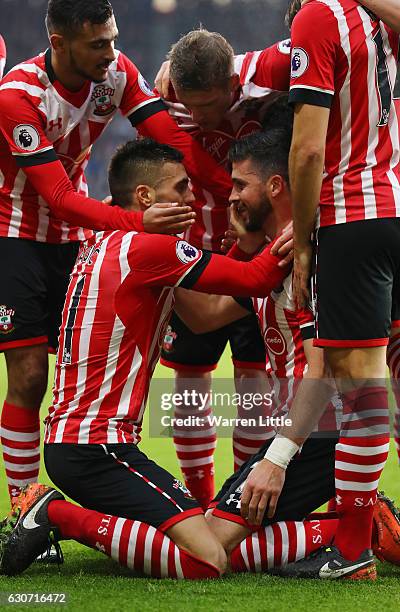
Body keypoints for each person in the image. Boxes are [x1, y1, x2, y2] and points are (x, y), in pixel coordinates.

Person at [1, 137, 399, 580]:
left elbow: (215, 314)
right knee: (207, 551)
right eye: (182, 188)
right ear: (146, 198)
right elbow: (239, 289)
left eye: (237, 186)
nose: (207, 198)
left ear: (273, 186)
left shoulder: (105, 242)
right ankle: (352, 532)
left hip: (311, 432)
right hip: (99, 444)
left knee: (210, 539)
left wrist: (281, 240)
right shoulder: (150, 248)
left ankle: (353, 533)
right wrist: (281, 239)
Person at [0, 0, 236, 504]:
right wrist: (136, 221)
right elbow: (59, 198)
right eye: (98, 43)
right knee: (28, 376)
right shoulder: (18, 96)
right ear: (60, 44)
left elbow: (173, 140)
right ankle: (24, 508)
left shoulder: (117, 73)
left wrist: (232, 187)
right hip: (15, 235)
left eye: (112, 38)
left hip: (76, 237)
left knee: (97, 364)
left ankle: (97, 466)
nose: (112, 52)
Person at [278, 0, 400, 578]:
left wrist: (304, 240)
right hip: (396, 204)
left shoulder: (318, 18)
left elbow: (306, 149)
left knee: (360, 383)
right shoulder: (381, 22)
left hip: (354, 216)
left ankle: (351, 550)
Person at [155, 29, 292, 508]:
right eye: (190, 106)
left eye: (210, 105)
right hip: (193, 255)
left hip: (261, 251)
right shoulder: (164, 97)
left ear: (233, 83)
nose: (199, 117)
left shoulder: (267, 85)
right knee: (190, 376)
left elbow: (307, 48)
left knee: (255, 376)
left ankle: (241, 493)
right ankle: (200, 499)